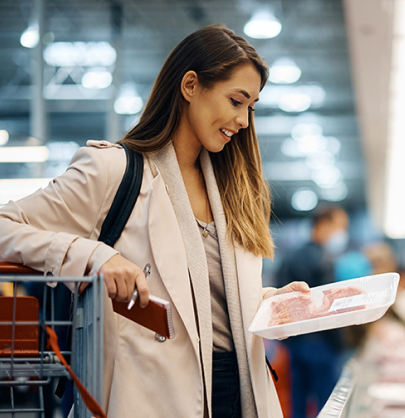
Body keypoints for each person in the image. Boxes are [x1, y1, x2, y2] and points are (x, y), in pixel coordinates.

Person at [0, 24, 309, 418]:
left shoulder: (233, 189)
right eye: (236, 101)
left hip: (241, 393)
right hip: (155, 396)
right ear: (191, 85)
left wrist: (268, 303)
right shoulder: (112, 171)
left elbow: (203, 302)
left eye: (251, 107)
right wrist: (94, 256)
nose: (245, 120)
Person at [275, 206, 349, 418]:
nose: (341, 233)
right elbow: (329, 306)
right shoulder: (323, 259)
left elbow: (279, 301)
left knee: (297, 402)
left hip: (294, 342)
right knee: (328, 406)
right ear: (324, 224)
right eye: (340, 227)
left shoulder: (289, 258)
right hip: (321, 343)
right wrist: (340, 344)